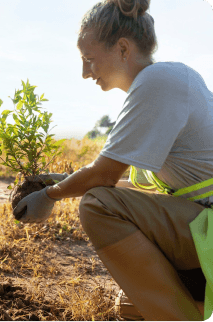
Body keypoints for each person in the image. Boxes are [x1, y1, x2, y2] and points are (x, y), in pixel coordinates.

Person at [13, 0, 213, 320]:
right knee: (130, 307)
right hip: (204, 227)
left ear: (122, 48)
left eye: (89, 59)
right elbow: (132, 187)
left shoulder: (159, 81)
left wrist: (49, 195)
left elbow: (103, 178)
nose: (84, 73)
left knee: (98, 204)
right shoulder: (168, 81)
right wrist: (60, 181)